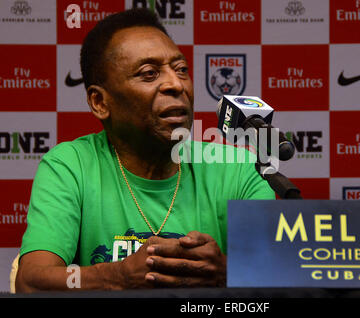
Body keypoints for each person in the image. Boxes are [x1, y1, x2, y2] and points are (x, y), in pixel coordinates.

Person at [15, 9, 274, 292]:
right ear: (100, 102)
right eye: (149, 74)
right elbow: (31, 281)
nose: (176, 85)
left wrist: (225, 272)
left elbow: (279, 273)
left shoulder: (240, 168)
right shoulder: (70, 166)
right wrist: (116, 277)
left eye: (181, 70)